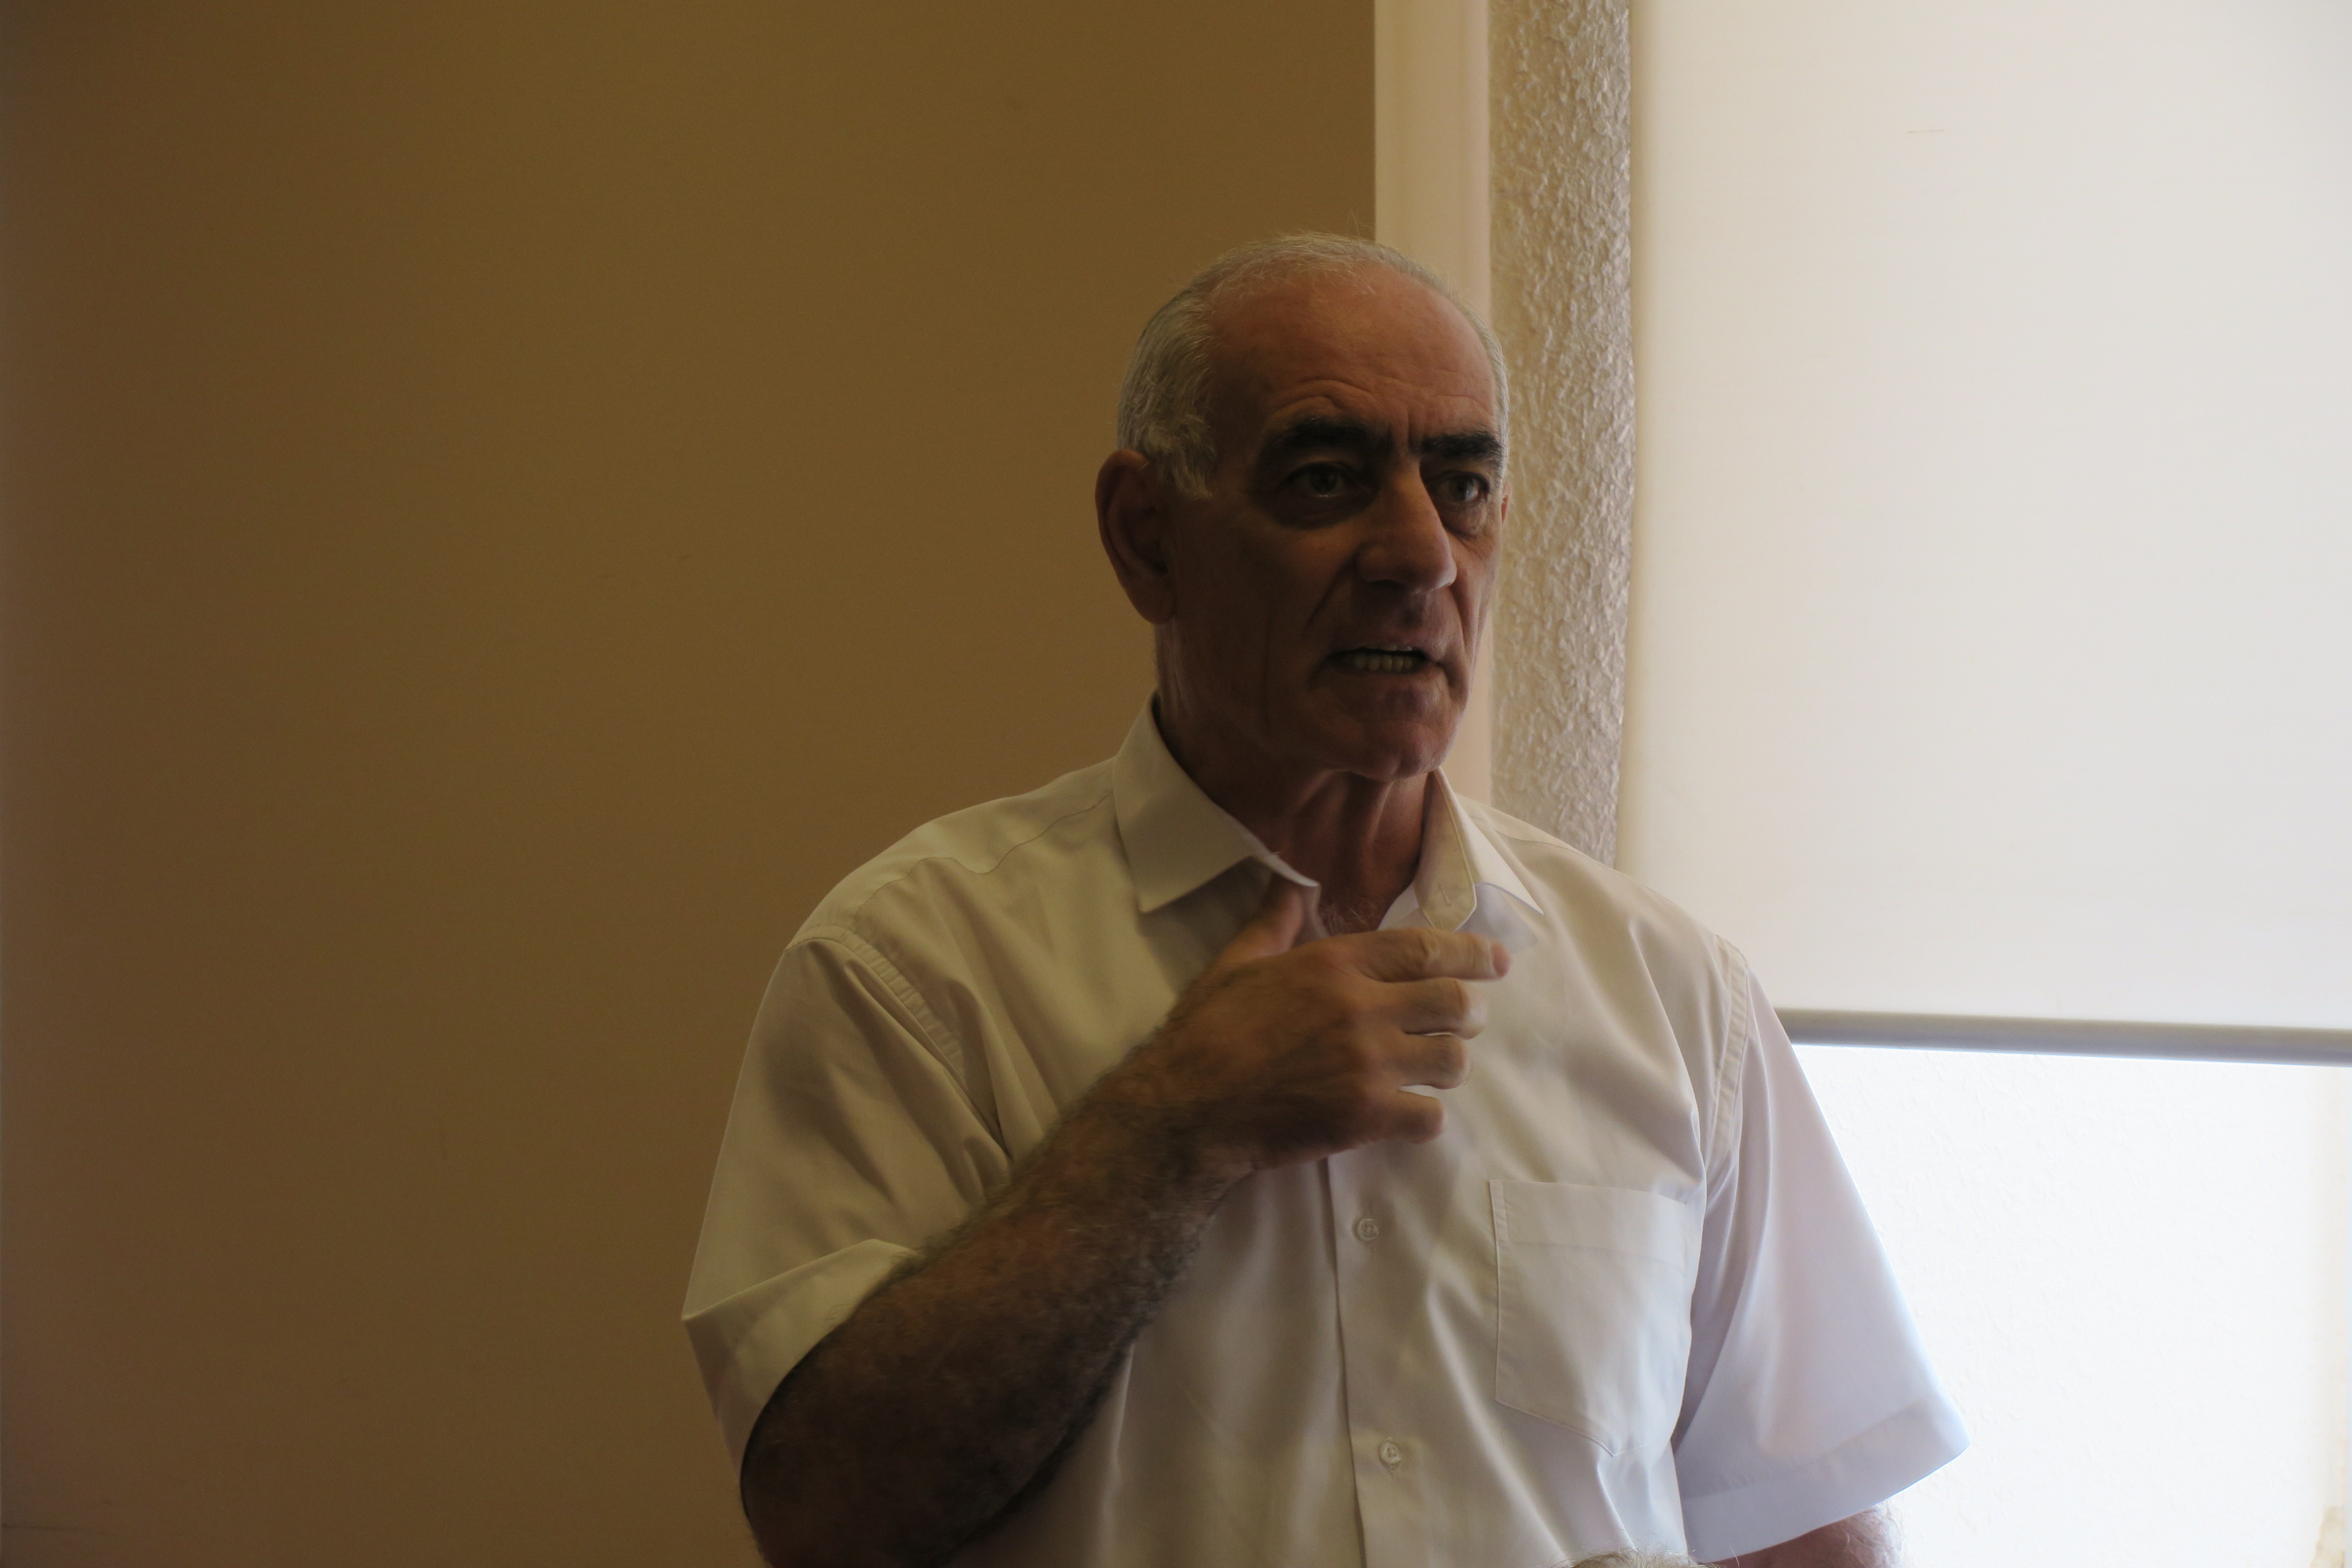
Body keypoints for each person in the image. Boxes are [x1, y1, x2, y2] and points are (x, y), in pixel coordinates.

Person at [683, 235, 1966, 1568]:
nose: (1420, 554)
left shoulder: (1672, 994)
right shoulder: (915, 967)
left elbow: (1798, 1521)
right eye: (1324, 480)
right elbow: (826, 1513)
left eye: (1463, 487)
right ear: (1146, 537)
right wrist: (1171, 1130)